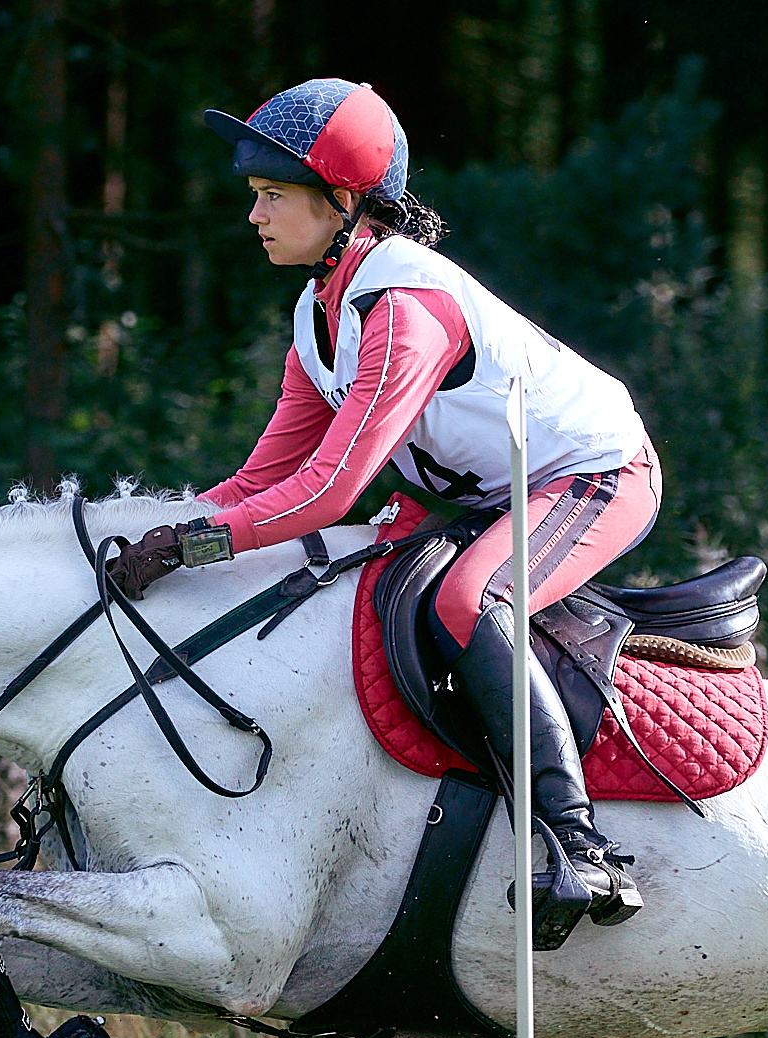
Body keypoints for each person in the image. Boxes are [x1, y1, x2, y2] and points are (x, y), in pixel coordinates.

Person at [112, 78, 658, 940]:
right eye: (255, 197)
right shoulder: (316, 316)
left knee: (466, 601)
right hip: (469, 496)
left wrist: (193, 545)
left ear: (343, 202)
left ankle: (579, 841)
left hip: (592, 474)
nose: (253, 217)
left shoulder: (405, 307)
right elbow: (262, 480)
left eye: (272, 196)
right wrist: (149, 529)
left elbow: (329, 492)